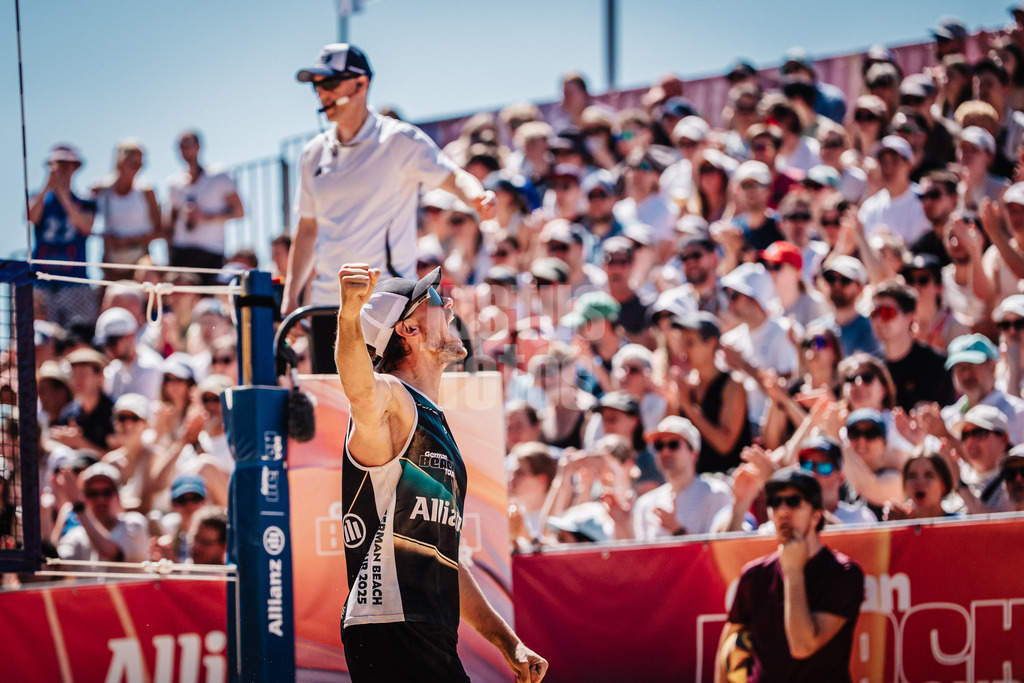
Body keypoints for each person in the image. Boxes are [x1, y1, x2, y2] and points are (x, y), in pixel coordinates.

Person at [333, 263, 546, 681]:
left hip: (421, 627)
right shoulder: (392, 397)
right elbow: (359, 389)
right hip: (391, 622)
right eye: (433, 300)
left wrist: (508, 642)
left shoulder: (431, 416)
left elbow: (441, 557)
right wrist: (347, 315)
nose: (448, 305)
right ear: (406, 330)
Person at [284, 44, 496, 373]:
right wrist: (291, 296)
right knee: (334, 416)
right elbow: (307, 228)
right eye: (316, 85)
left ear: (361, 84)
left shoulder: (398, 141)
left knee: (386, 417)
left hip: (386, 306)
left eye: (328, 84)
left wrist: (477, 195)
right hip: (329, 307)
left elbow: (452, 176)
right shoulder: (313, 153)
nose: (320, 93)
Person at [715, 467, 864, 682]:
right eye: (775, 502)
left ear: (816, 516)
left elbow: (803, 646)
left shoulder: (843, 573)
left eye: (794, 501)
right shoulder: (754, 574)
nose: (783, 511)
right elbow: (727, 645)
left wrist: (793, 572)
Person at [27, 143, 98, 328]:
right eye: (58, 164)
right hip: (42, 283)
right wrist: (47, 186)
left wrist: (63, 195)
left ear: (76, 167)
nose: (63, 169)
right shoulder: (39, 198)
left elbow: (86, 227)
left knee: (78, 333)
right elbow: (30, 217)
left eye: (68, 164)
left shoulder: (85, 201)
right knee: (41, 336)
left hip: (74, 283)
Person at [630, 416, 734, 540]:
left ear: (694, 454)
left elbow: (716, 553)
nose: (665, 451)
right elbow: (641, 557)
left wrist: (677, 530)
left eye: (673, 444)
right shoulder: (645, 503)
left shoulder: (716, 494)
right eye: (659, 446)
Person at [166, 130, 244, 285]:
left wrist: (205, 217)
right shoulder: (175, 183)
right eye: (181, 145)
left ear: (199, 146)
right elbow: (171, 222)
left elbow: (239, 211)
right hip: (181, 252)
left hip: (210, 251)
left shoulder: (219, 175)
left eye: (189, 144)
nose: (186, 149)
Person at [91, 138, 161, 280]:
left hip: (140, 261)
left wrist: (129, 241)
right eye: (133, 162)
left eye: (140, 163)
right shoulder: (101, 190)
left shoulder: (146, 192)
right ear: (120, 161)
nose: (137, 168)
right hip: (111, 263)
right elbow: (87, 225)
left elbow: (161, 231)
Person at [55, 462, 149, 563]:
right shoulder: (76, 535)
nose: (100, 499)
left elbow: (107, 552)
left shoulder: (133, 523)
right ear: (85, 498)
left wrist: (78, 507)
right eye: (93, 494)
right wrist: (44, 514)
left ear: (118, 496)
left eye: (107, 492)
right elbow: (56, 566)